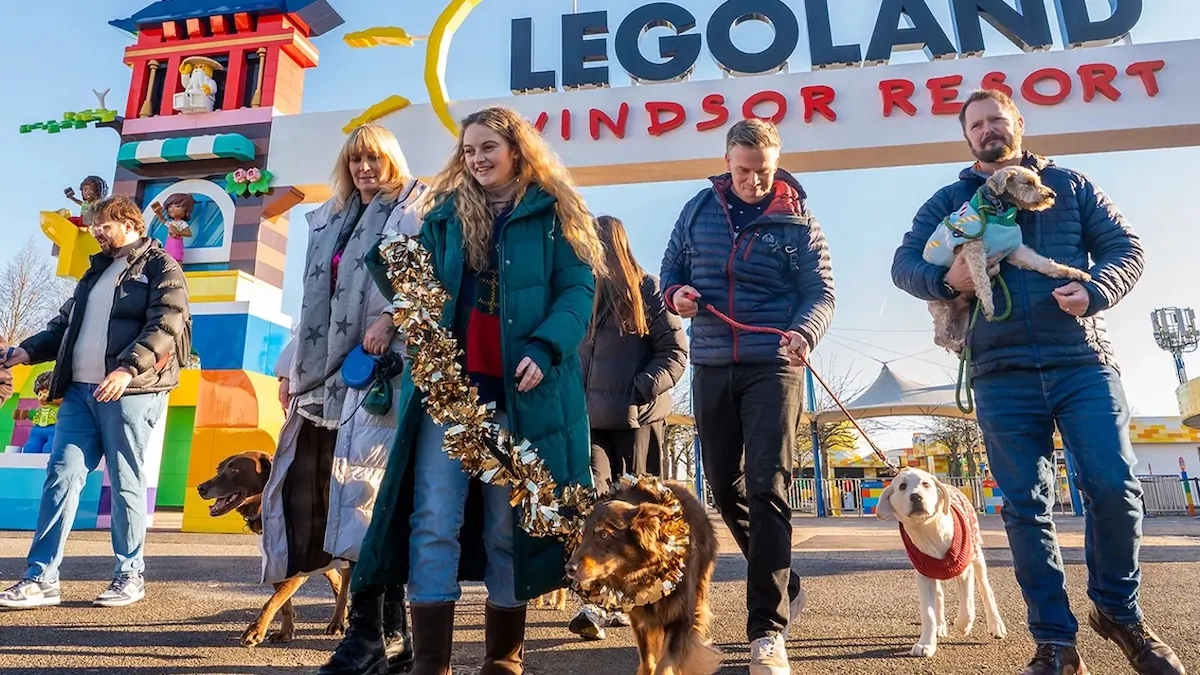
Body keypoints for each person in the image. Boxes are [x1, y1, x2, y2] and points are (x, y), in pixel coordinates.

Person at [890, 88, 1184, 675]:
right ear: (966, 136)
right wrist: (946, 282)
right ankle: (1054, 641)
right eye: (976, 124)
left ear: (1018, 124)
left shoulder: (1071, 186)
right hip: (999, 371)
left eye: (996, 120)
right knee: (1026, 508)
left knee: (1115, 487)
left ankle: (1118, 612)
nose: (987, 130)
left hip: (1081, 360)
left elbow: (1126, 249)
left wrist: (1096, 289)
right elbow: (904, 266)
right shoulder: (948, 201)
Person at [354, 105, 602, 675]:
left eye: (488, 147)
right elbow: (417, 286)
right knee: (432, 520)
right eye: (469, 150)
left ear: (517, 149)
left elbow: (577, 291)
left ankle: (503, 658)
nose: (477, 158)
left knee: (505, 526)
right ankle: (432, 663)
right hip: (448, 395)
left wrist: (546, 346)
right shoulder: (443, 214)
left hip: (520, 396)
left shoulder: (555, 210)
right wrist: (394, 288)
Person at [659, 118, 835, 675]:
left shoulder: (798, 220)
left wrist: (804, 331)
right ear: (727, 162)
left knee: (768, 486)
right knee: (724, 486)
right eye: (743, 171)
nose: (754, 182)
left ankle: (766, 631)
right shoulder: (696, 210)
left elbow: (821, 291)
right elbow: (670, 269)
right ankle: (785, 581)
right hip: (712, 362)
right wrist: (676, 294)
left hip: (773, 363)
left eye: (763, 171)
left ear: (775, 163)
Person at [259, 124, 427, 675]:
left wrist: (391, 316)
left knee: (366, 496)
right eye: (355, 159)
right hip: (322, 378)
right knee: (330, 499)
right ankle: (390, 636)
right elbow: (315, 304)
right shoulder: (330, 217)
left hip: (382, 369)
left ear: (392, 159)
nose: (364, 168)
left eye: (374, 158)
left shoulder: (413, 209)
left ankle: (368, 635)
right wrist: (290, 367)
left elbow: (427, 279)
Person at [0, 194, 190, 610]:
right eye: (93, 228)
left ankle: (129, 573)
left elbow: (166, 324)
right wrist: (25, 352)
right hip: (80, 393)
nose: (97, 233)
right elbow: (63, 327)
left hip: (130, 392)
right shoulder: (95, 272)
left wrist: (127, 369)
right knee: (60, 477)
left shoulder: (161, 267)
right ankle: (41, 578)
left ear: (130, 224)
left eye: (103, 226)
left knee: (125, 480)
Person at [569, 214, 688, 641]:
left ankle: (646, 599)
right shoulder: (580, 293)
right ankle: (596, 603)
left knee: (640, 515)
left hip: (638, 420)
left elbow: (675, 352)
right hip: (589, 421)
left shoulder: (648, 289)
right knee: (594, 504)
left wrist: (640, 389)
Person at [150, 193, 194, 262]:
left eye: (177, 206)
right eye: (170, 206)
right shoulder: (171, 223)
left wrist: (177, 232)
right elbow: (163, 220)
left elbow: (189, 233)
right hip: (169, 242)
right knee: (168, 257)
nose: (172, 209)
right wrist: (158, 213)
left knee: (177, 257)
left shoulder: (182, 223)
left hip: (177, 243)